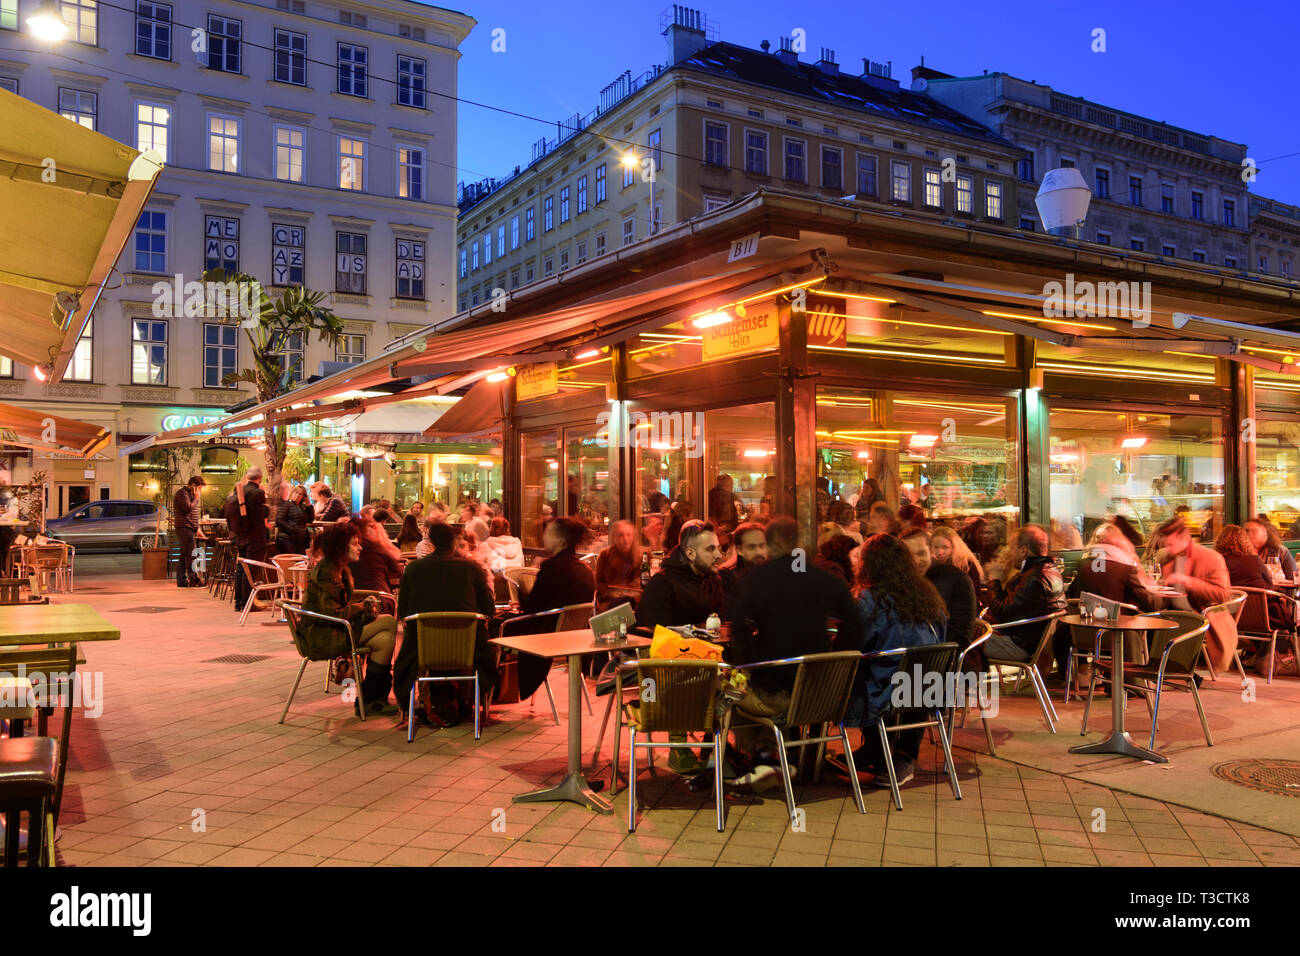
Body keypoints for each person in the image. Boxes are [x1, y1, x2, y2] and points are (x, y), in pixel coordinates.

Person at [730, 519, 863, 777]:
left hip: (776, 695)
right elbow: (855, 626)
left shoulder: (756, 579)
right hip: (822, 694)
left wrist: (750, 664)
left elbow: (739, 632)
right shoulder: (826, 580)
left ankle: (760, 757)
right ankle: (776, 752)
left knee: (727, 690)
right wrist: (835, 665)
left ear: (770, 545)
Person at [836, 533, 946, 786]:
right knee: (907, 676)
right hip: (930, 686)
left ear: (868, 564)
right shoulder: (928, 595)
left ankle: (883, 751)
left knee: (850, 673)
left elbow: (849, 646)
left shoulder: (869, 601)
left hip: (886, 690)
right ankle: (894, 754)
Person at [393, 523, 497, 724]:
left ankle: (423, 703)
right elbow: (488, 609)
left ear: (430, 543)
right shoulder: (472, 569)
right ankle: (469, 702)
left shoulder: (414, 570)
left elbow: (404, 611)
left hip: (423, 648)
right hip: (467, 646)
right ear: (452, 542)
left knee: (409, 649)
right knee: (483, 643)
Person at [301, 523, 398, 716]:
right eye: (355, 544)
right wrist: (363, 607)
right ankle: (371, 699)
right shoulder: (327, 572)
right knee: (388, 622)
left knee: (385, 640)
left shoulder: (337, 568)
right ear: (341, 546)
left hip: (333, 630)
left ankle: (370, 701)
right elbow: (332, 615)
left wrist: (362, 607)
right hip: (323, 637)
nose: (360, 547)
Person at [511, 517, 597, 702]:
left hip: (546, 634)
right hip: (573, 636)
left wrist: (520, 595)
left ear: (559, 539)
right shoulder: (585, 570)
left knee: (496, 630)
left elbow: (532, 607)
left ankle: (492, 694)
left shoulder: (552, 568)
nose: (544, 534)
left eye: (548, 531)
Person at [983, 525, 1068, 679]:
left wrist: (994, 580)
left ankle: (957, 691)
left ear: (1023, 551)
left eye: (1011, 548)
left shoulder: (1033, 579)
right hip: (1032, 643)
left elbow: (1002, 614)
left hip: (1020, 646)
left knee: (964, 638)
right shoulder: (1050, 570)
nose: (1009, 553)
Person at [636, 519, 724, 632]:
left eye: (718, 548)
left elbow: (722, 624)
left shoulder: (714, 580)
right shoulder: (662, 584)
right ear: (690, 554)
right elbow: (657, 635)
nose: (718, 555)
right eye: (710, 549)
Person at [902, 529, 976, 651]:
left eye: (921, 553)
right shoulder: (900, 580)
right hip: (905, 655)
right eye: (909, 555)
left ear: (931, 552)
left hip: (944, 658)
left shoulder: (956, 579)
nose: (915, 561)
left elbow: (962, 635)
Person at [1215, 523, 1288, 626]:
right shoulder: (1254, 560)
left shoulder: (1217, 561)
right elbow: (1269, 584)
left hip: (1230, 617)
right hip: (1264, 618)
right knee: (1282, 598)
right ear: (1245, 541)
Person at [230, 468, 269, 611]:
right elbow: (261, 514)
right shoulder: (257, 493)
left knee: (241, 568)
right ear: (260, 477)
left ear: (247, 476)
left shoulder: (237, 491)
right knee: (251, 570)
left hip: (240, 536)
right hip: (255, 537)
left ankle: (238, 602)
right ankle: (248, 603)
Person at [718, 521, 767, 617]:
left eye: (762, 546)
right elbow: (730, 615)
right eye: (752, 547)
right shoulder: (727, 574)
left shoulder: (770, 570)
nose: (759, 551)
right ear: (739, 550)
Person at [595, 519, 642, 612]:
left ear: (633, 537)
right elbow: (598, 583)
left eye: (629, 535)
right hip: (612, 602)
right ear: (614, 538)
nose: (625, 539)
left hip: (636, 603)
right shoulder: (605, 555)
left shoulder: (644, 555)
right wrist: (611, 592)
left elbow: (649, 583)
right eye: (621, 535)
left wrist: (635, 589)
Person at [349, 514, 402, 594]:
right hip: (380, 597)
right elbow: (397, 571)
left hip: (353, 598)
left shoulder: (344, 553)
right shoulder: (376, 548)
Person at [930, 525, 984, 599]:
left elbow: (974, 594)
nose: (940, 552)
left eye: (945, 547)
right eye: (936, 547)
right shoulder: (928, 566)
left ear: (954, 547)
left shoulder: (966, 565)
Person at [172, 475, 205, 588]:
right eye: (199, 488)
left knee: (184, 554)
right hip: (184, 528)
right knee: (191, 555)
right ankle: (194, 580)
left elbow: (193, 513)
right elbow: (187, 509)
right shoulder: (182, 494)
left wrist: (197, 528)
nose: (200, 491)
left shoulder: (189, 494)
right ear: (193, 486)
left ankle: (181, 581)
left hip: (189, 528)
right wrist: (196, 498)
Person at [275, 484, 313, 555]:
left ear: (303, 497)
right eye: (296, 492)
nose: (297, 495)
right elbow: (279, 520)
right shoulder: (286, 504)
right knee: (291, 561)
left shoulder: (303, 507)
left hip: (300, 539)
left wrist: (309, 506)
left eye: (300, 494)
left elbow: (310, 520)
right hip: (287, 538)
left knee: (301, 560)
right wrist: (294, 529)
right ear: (292, 493)